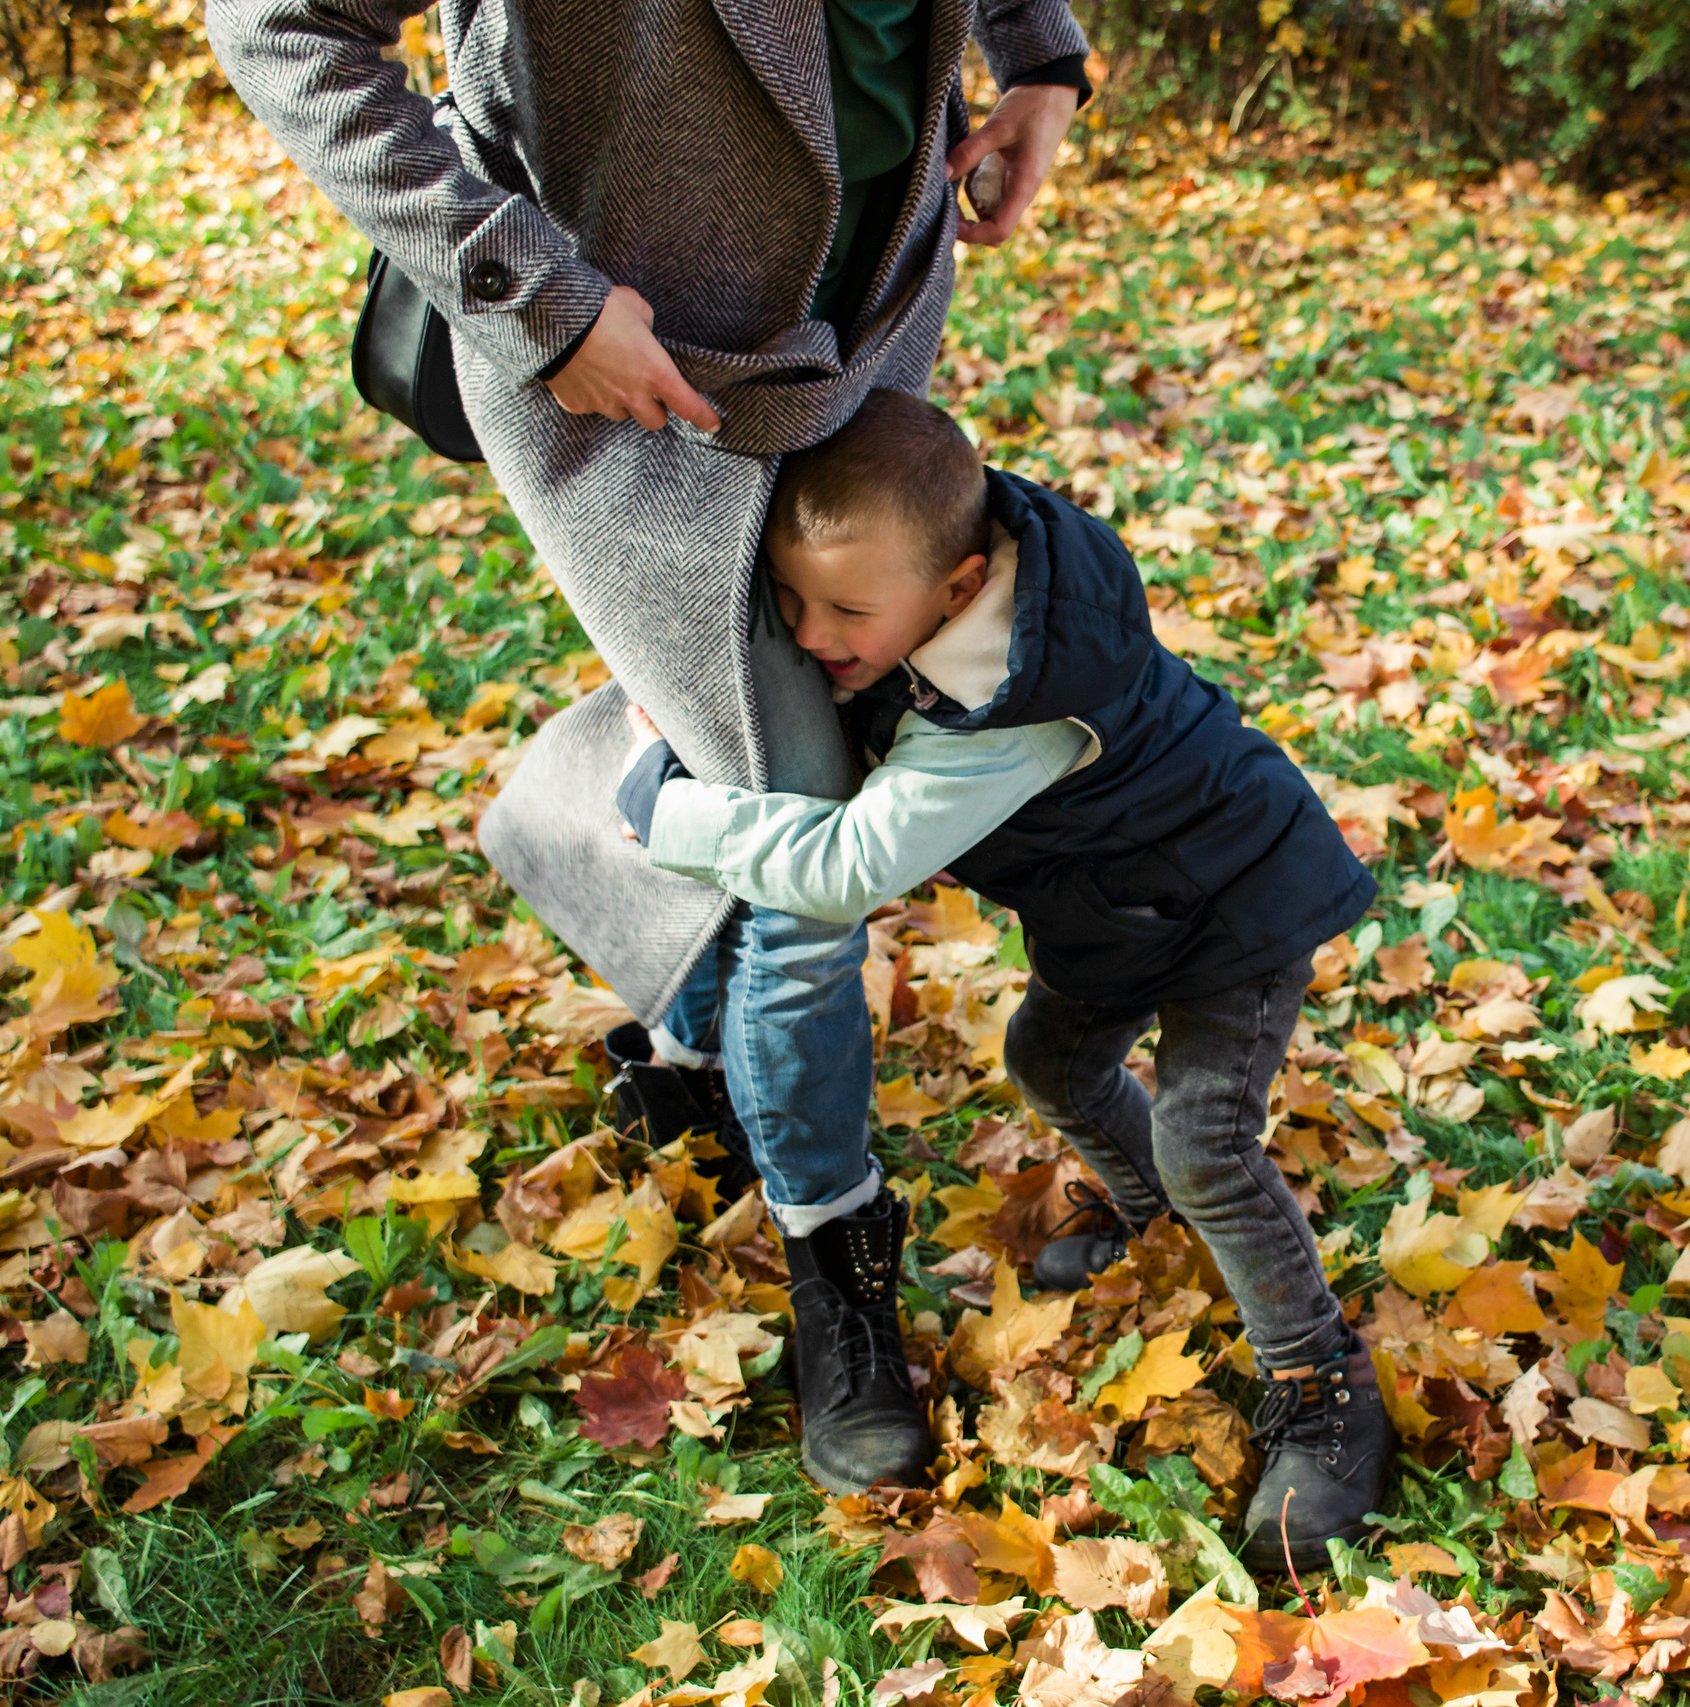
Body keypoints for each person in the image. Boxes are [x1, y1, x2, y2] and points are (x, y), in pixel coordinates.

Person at [205, 0, 1092, 1492]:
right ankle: (836, 1255)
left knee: (807, 722)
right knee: (804, 826)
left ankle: (681, 1040)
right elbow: (282, 23)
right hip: (626, 367)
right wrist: (538, 295)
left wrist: (1040, 58)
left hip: (869, 323)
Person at [615, 390, 1389, 1570]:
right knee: (1051, 1059)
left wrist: (665, 811)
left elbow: (851, 864)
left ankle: (1322, 1385)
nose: (815, 633)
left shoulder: (1019, 704)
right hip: (1120, 911)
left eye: (846, 612)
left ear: (963, 586)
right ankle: (1160, 1229)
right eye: (791, 603)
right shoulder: (929, 598)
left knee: (1206, 1134)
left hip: (1236, 897)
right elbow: (847, 681)